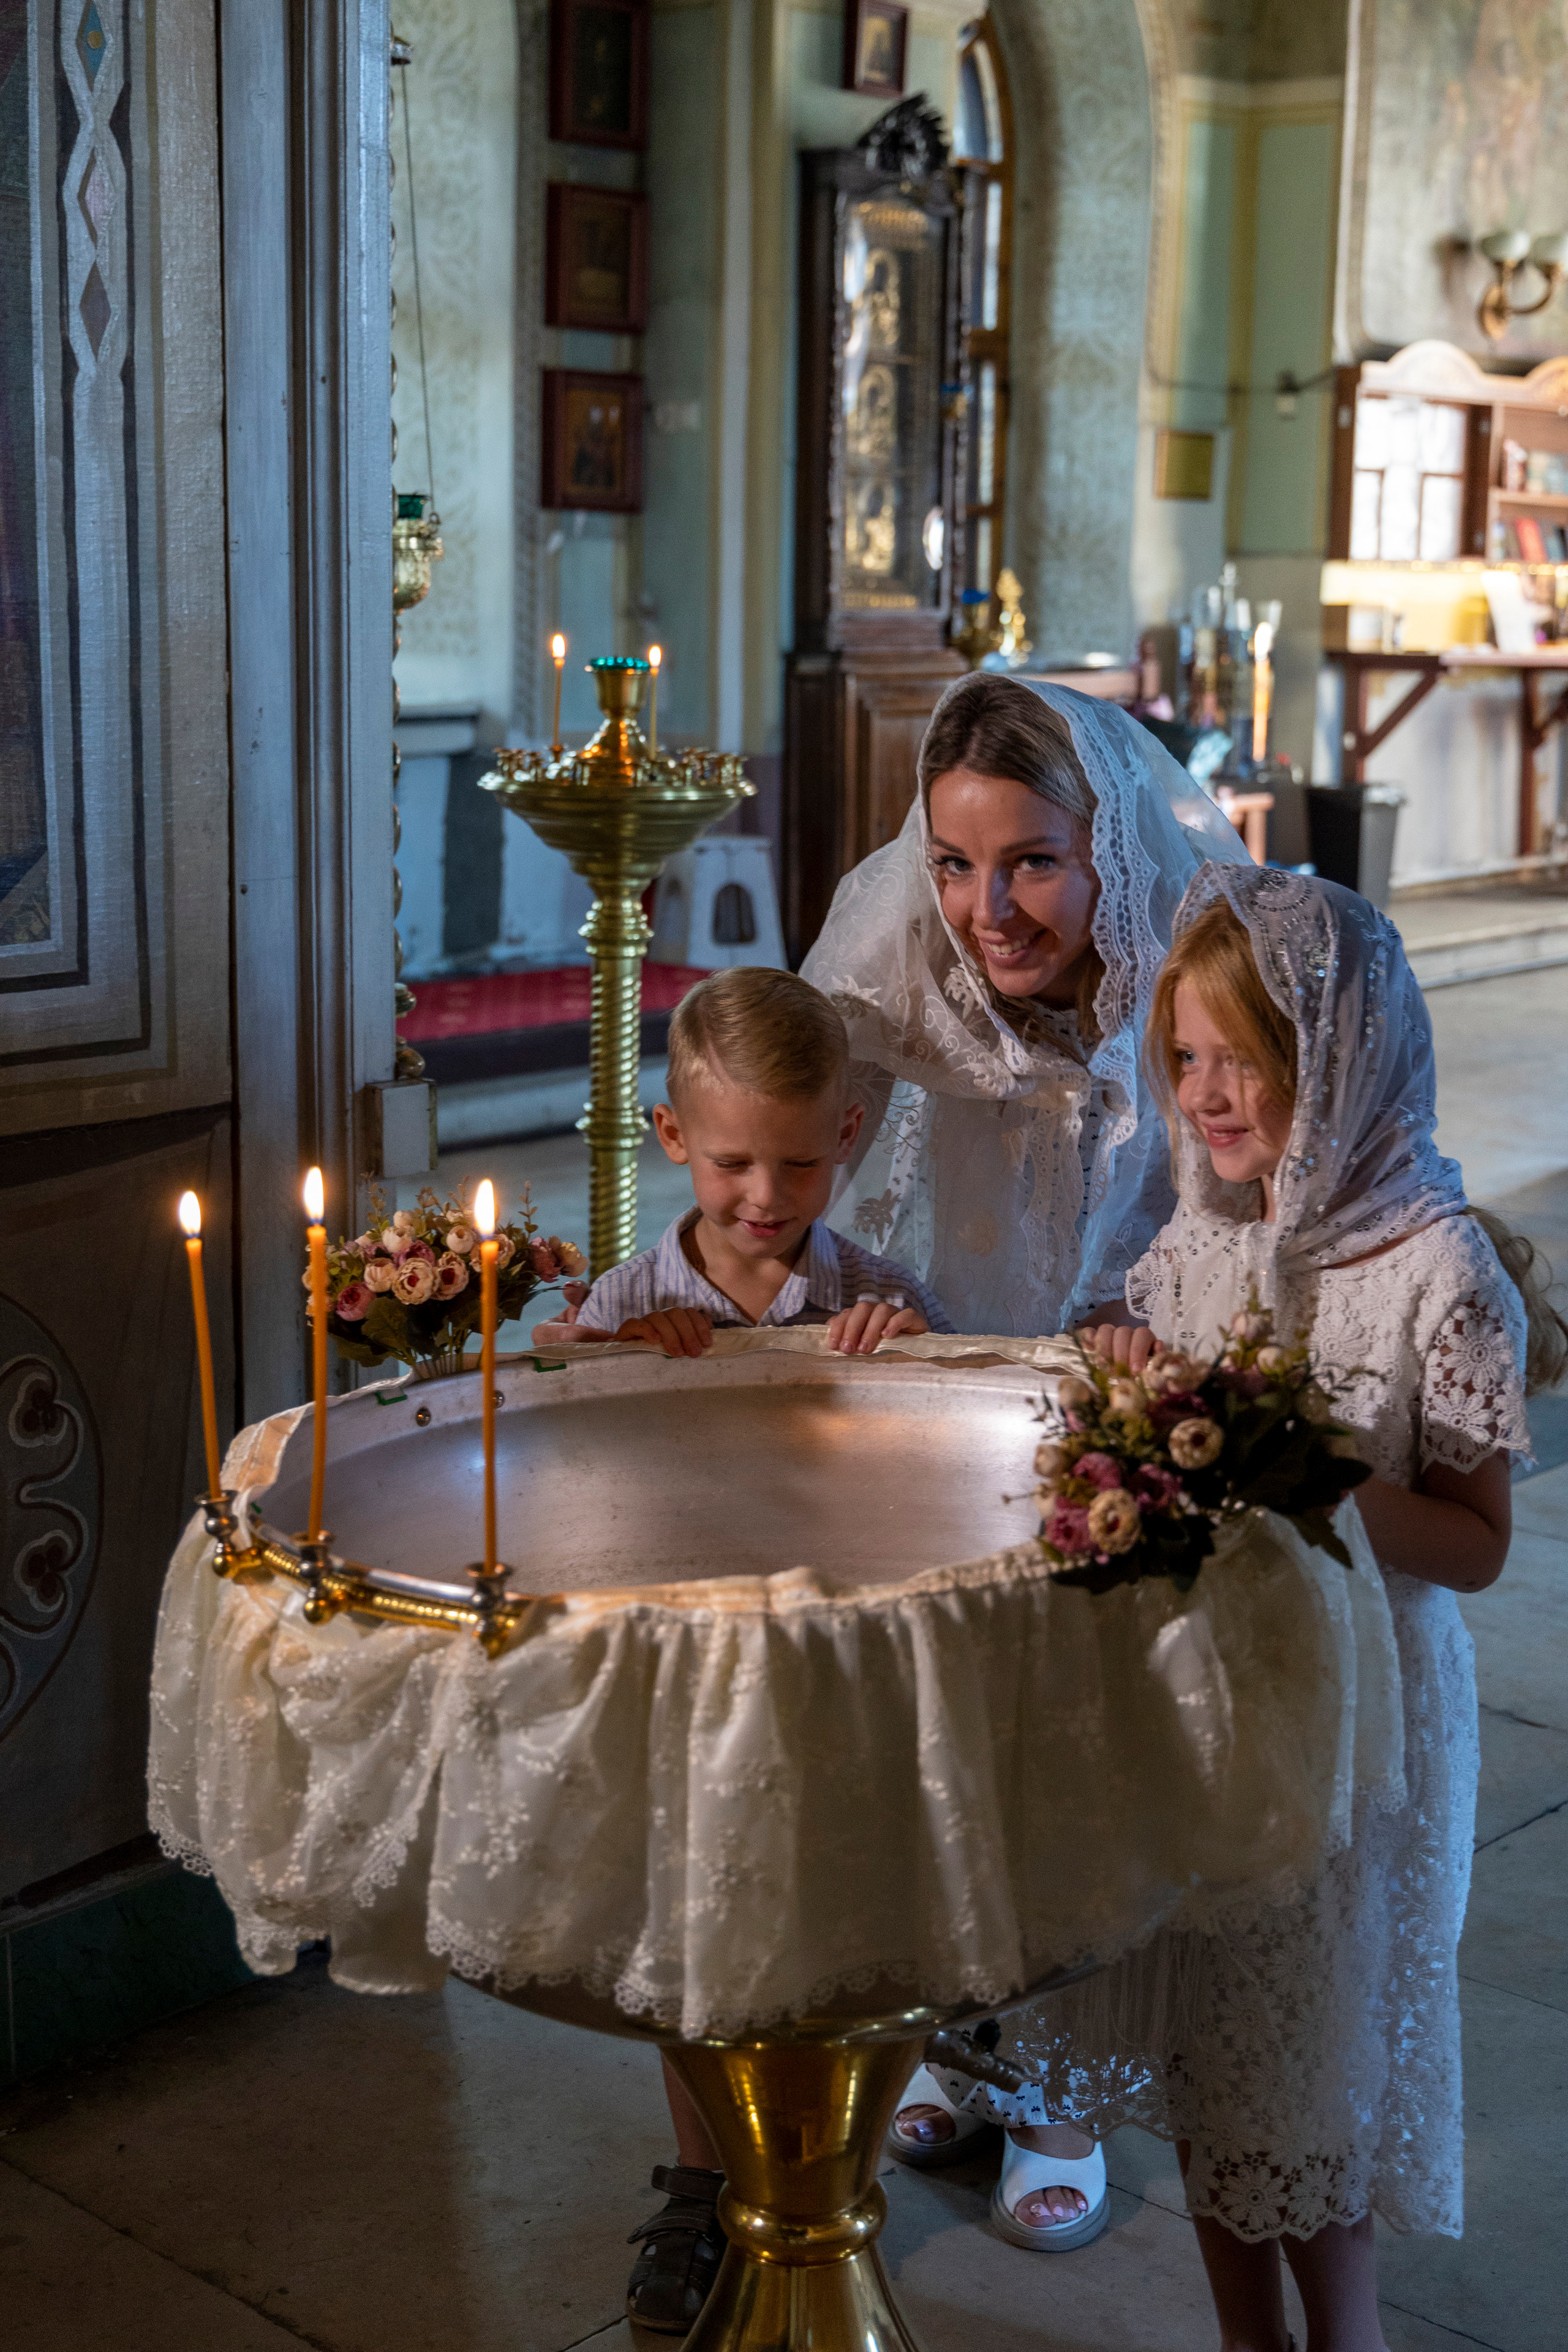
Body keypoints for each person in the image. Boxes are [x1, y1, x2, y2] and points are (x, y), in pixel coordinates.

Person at [1016, 864, 1566, 2351]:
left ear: (1334, 1057)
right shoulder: (1195, 1249)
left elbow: (1472, 1544)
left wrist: (1303, 1483)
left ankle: (1348, 2331)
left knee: (1306, 2055)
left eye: (1239, 1058)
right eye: (1181, 1059)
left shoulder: (1434, 1273)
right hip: (1205, 1702)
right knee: (1209, 2036)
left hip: (1359, 1718)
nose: (1204, 1094)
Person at [801, 670, 1251, 2234]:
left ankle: (1058, 2077)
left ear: (1105, 847)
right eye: (949, 861)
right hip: (952, 1371)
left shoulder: (1191, 983)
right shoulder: (897, 964)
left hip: (1130, 1399)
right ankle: (946, 2032)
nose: (983, 908)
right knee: (941, 1727)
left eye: (1030, 863)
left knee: (1079, 1745)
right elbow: (784, 1152)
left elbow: (1254, 1199)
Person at [529, 965, 951, 2335]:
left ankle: (830, 2168)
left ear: (843, 1138)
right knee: (695, 1923)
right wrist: (606, 1365)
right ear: (670, 1142)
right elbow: (569, 1472)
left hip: (834, 1660)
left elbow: (939, 1444)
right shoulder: (623, 1299)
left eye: (791, 1161)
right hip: (686, 1665)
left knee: (831, 1913)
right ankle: (695, 2182)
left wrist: (903, 1354)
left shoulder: (877, 1290)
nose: (761, 1199)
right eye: (727, 1164)